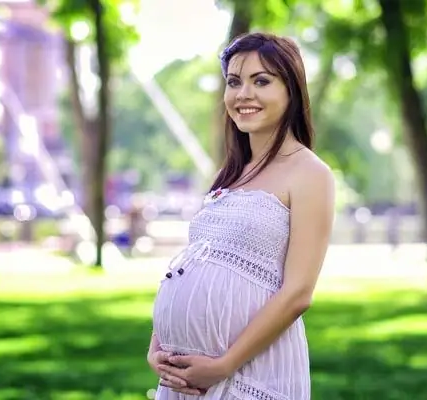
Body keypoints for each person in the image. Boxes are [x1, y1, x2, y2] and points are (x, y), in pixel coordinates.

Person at [146, 32, 336, 399]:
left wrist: (223, 365)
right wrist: (158, 347)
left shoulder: (310, 174)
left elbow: (298, 293)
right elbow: (192, 263)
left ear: (291, 90)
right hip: (184, 377)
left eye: (261, 81)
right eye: (234, 82)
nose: (243, 94)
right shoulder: (232, 173)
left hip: (248, 374)